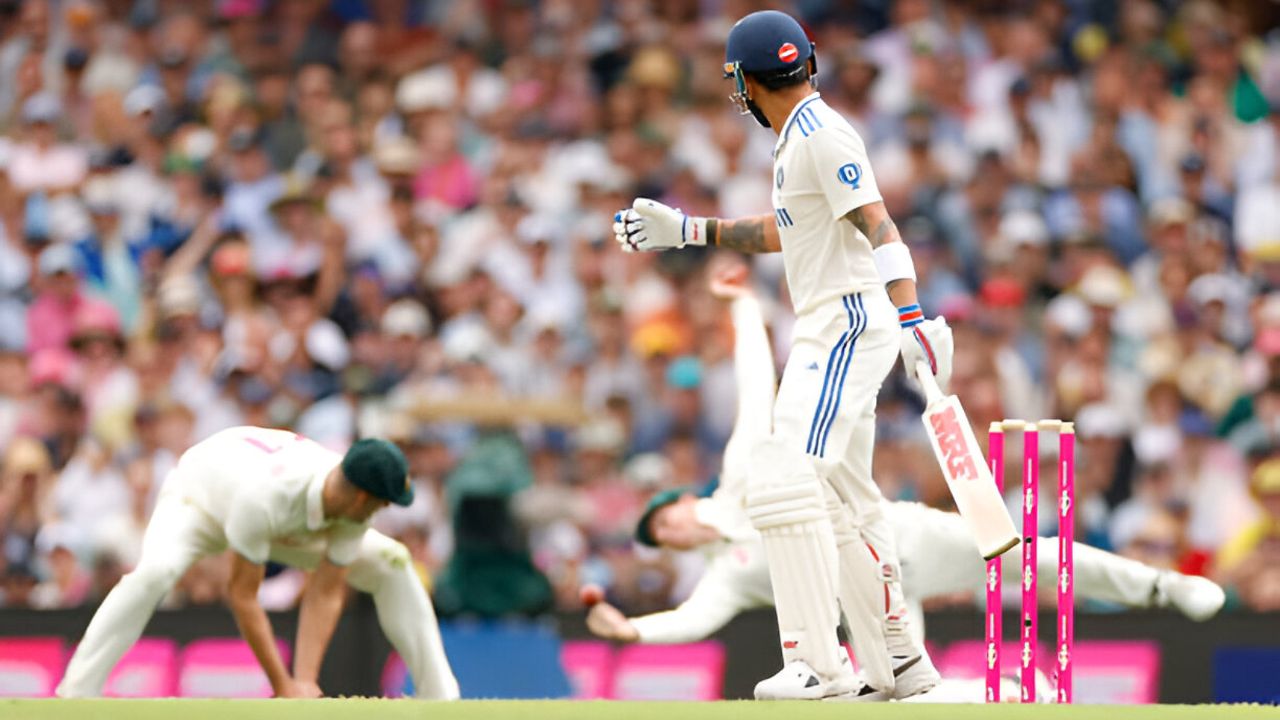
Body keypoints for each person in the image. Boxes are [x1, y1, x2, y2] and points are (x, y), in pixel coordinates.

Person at [585, 265, 1225, 689]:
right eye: (662, 542)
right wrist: (632, 630)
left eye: (663, 523)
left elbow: (757, 386)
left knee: (1029, 558)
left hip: (901, 539)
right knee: (904, 696)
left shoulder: (743, 474)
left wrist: (746, 309)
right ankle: (1001, 692)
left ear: (679, 505)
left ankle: (1164, 587)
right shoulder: (728, 574)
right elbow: (693, 620)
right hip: (876, 607)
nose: (671, 537)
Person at [613, 10, 952, 700]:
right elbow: (790, 232)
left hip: (847, 325)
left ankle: (817, 664)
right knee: (843, 499)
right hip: (834, 325)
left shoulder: (822, 135)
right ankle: (899, 663)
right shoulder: (799, 137)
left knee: (779, 475)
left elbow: (878, 222)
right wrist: (689, 229)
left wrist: (912, 313)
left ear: (742, 80)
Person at [56, 428, 458, 700]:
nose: (384, 509)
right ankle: (76, 693)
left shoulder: (353, 503)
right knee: (156, 573)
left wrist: (305, 681)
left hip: (290, 521)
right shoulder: (265, 496)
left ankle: (441, 698)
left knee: (395, 562)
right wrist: (283, 684)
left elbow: (325, 590)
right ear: (360, 496)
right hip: (198, 503)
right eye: (382, 501)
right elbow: (243, 597)